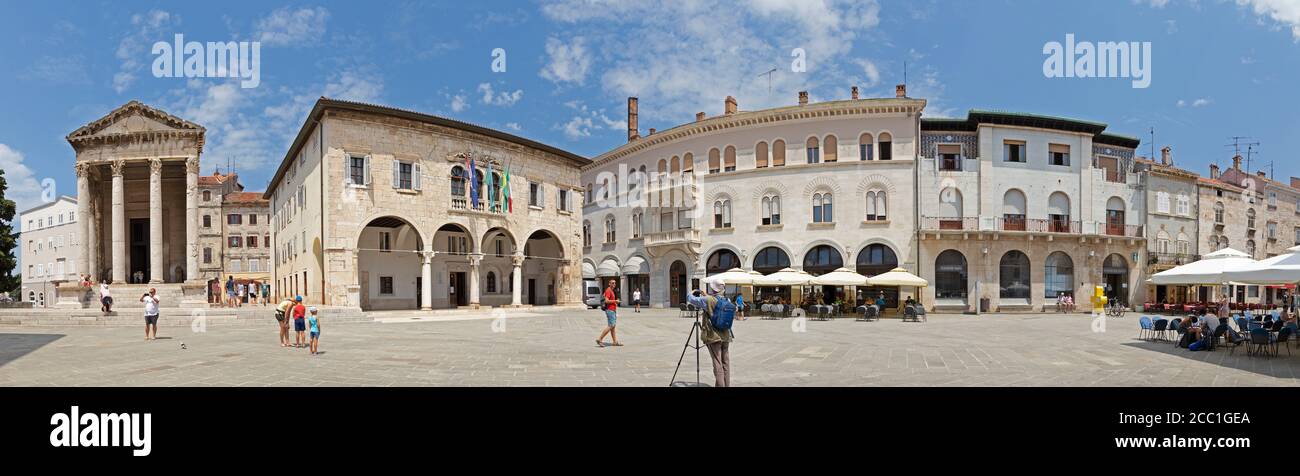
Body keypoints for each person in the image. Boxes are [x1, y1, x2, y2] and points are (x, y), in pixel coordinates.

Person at [689, 282, 733, 387]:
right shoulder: (727, 300)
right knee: (725, 363)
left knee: (717, 364)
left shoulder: (708, 300)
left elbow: (690, 299)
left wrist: (692, 291)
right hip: (726, 335)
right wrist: (706, 295)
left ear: (713, 289)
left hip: (714, 336)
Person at [595, 279, 620, 347]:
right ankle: (600, 339)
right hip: (610, 310)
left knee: (613, 327)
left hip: (613, 310)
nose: (614, 284)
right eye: (612, 283)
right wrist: (615, 301)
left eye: (614, 283)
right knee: (611, 326)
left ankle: (615, 342)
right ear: (609, 283)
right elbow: (606, 301)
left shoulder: (611, 290)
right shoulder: (608, 290)